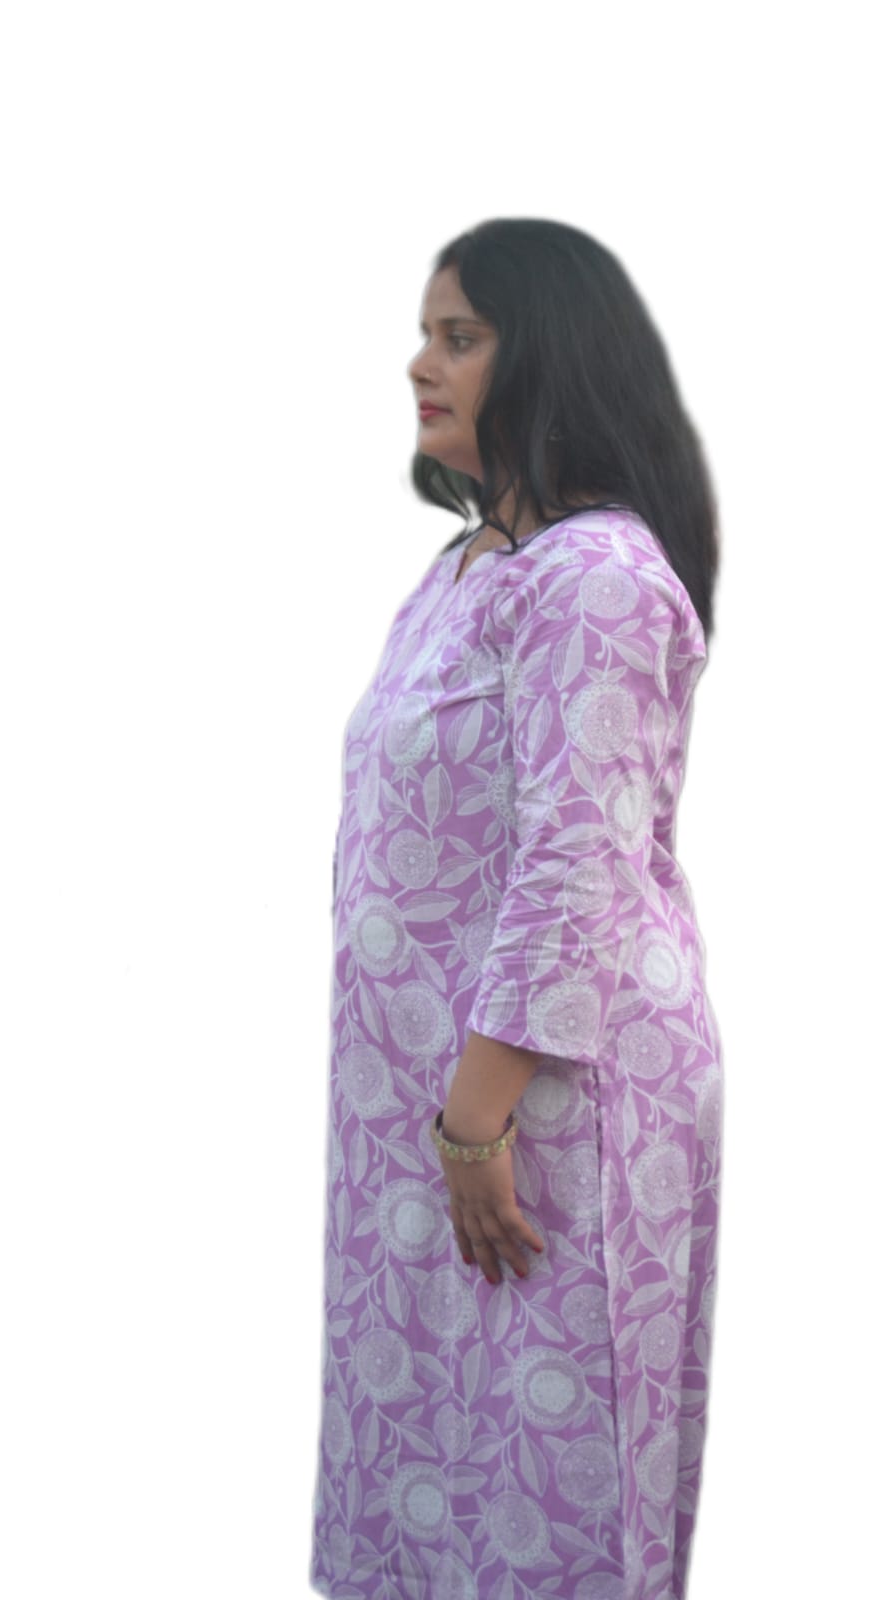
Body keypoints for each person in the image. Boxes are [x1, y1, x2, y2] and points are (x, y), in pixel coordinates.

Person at [309, 218, 724, 1600]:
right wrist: (442, 1124)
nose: (419, 363)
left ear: (548, 353)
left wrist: (476, 1122)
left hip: (541, 1112)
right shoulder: (466, 571)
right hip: (436, 1117)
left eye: (462, 336)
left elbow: (573, 864)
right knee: (436, 1470)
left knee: (549, 1485)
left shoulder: (597, 579)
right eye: (426, 333)